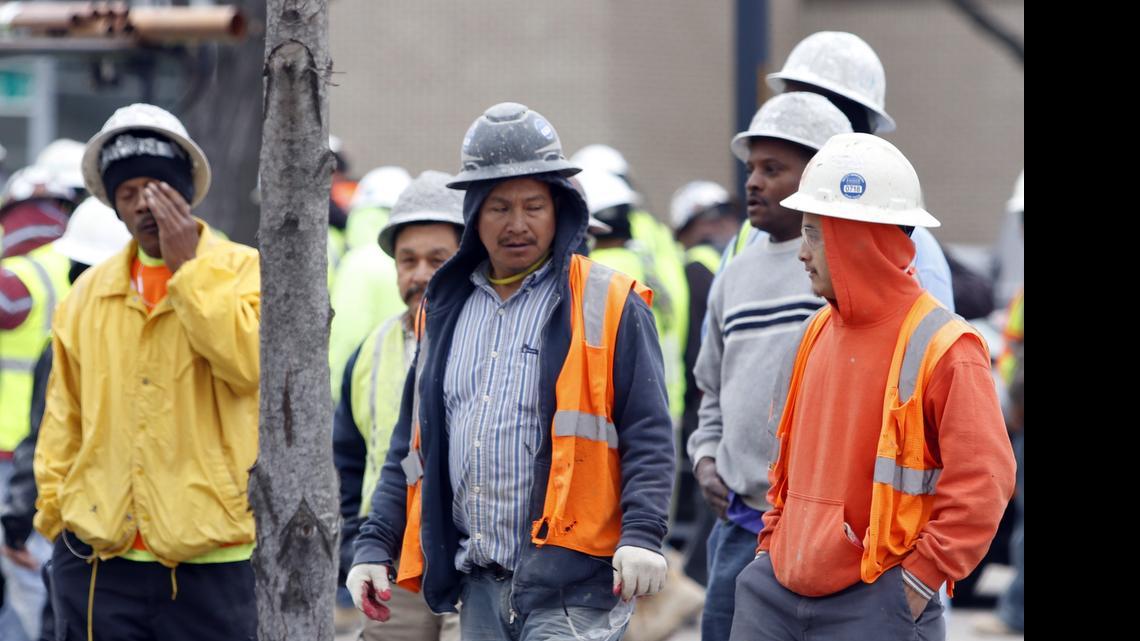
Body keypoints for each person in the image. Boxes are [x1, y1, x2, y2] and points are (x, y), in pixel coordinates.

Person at [346, 102, 674, 641]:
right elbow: (410, 450)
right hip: (479, 586)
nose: (516, 224)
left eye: (533, 206)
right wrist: (375, 543)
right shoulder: (444, 310)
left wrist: (642, 534)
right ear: (474, 213)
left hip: (575, 590)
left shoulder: (609, 302)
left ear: (560, 209)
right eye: (499, 207)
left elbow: (649, 434)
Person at [729, 133, 1016, 641]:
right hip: (776, 593)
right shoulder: (814, 331)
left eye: (814, 234)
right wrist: (770, 549)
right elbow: (788, 470)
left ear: (857, 238)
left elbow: (984, 481)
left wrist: (920, 578)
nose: (802, 253)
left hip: (878, 603)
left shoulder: (944, 345)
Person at [33, 103, 261, 641]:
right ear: (113, 206)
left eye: (159, 189)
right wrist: (55, 516)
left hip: (213, 558)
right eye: (129, 193)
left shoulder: (243, 271)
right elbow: (63, 417)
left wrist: (189, 273)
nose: (145, 206)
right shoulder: (89, 293)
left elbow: (249, 369)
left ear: (187, 192)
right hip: (100, 559)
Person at [687, 92, 852, 641]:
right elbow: (710, 389)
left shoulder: (845, 271)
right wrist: (706, 459)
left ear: (819, 173)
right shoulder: (733, 276)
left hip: (826, 530)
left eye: (773, 169)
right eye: (751, 168)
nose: (753, 182)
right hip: (738, 528)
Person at [717, 31, 955, 314]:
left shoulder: (909, 244)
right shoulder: (750, 239)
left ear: (857, 126)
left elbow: (930, 343)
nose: (801, 119)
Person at [335, 170, 464, 641]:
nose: (420, 274)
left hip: (470, 561)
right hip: (393, 564)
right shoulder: (371, 351)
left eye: (437, 259)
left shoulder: (490, 339)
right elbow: (347, 460)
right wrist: (359, 546)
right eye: (407, 260)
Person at [1, 196, 131, 641]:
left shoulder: (67, 341)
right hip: (120, 539)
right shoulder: (69, 340)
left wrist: (18, 521)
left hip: (89, 537)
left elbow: (42, 438)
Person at [328, 166, 412, 402]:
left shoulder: (359, 263)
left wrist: (335, 399)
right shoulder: (414, 260)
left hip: (363, 401)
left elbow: (346, 339)